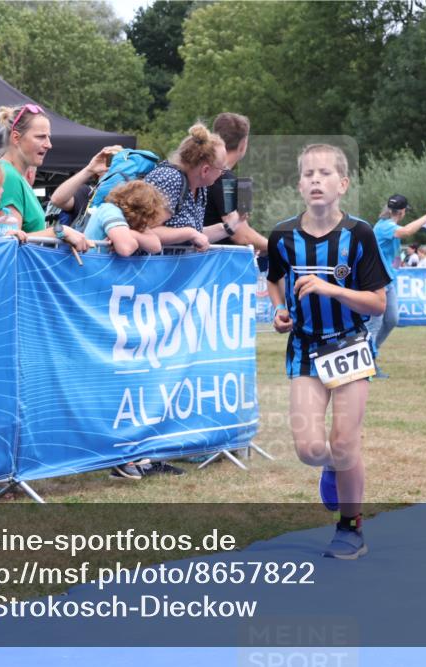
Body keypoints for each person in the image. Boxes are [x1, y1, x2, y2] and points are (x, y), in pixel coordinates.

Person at [267, 144, 391, 560]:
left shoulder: (359, 235)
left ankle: (351, 527)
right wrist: (280, 309)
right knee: (308, 448)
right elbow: (273, 279)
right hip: (303, 346)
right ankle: (330, 467)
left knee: (345, 441)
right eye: (308, 174)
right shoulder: (283, 236)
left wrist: (330, 288)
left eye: (324, 173)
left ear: (343, 184)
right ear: (299, 185)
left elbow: (377, 304)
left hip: (349, 344)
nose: (315, 180)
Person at [0, 104, 89, 253]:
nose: (49, 145)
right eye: (40, 137)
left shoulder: (11, 175)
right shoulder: (9, 176)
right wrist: (60, 231)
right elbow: (8, 243)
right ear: (16, 138)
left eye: (48, 137)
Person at [366, 194, 426, 377]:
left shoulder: (389, 225)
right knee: (374, 324)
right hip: (376, 281)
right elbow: (406, 231)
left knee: (392, 320)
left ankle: (370, 352)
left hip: (387, 280)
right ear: (402, 211)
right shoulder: (384, 226)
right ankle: (367, 364)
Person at [145, 123, 248, 251]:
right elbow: (145, 230)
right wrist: (190, 233)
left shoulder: (200, 187)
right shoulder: (169, 179)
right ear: (205, 171)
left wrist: (231, 226)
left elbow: (196, 235)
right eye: (221, 168)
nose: (223, 172)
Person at [203, 112, 268, 254]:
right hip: (217, 264)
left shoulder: (204, 172)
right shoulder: (225, 178)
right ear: (243, 144)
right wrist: (277, 247)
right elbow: (241, 235)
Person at [83, 180, 167, 256]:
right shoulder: (110, 210)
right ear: (142, 209)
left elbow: (156, 246)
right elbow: (125, 249)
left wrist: (132, 234)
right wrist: (133, 240)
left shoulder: (131, 218)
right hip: (92, 267)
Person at [48, 145, 121, 225]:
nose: (114, 168)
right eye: (110, 161)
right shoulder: (87, 193)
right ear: (98, 171)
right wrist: (89, 170)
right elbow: (57, 200)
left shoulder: (129, 196)